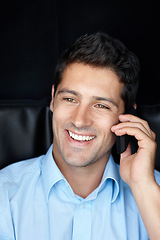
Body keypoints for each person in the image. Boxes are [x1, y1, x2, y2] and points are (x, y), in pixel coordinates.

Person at [0, 32, 160, 240]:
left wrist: (143, 186)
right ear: (53, 100)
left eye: (101, 105)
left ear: (127, 116)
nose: (80, 120)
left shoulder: (152, 190)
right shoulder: (4, 193)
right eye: (70, 99)